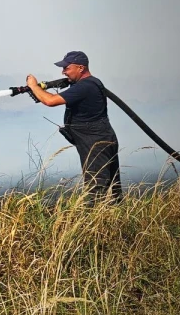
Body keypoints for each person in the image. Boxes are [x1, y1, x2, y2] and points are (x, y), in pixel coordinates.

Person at [26, 51, 123, 202]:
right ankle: (112, 219)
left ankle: (93, 223)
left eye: (67, 68)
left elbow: (50, 101)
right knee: (111, 188)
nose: (63, 71)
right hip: (100, 137)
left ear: (80, 68)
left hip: (95, 142)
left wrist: (33, 86)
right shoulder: (90, 83)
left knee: (95, 189)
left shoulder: (85, 87)